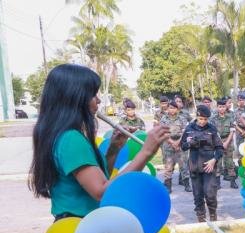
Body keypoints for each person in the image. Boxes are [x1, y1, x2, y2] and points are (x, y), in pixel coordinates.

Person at [29, 64, 169, 220]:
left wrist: (114, 149)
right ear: (75, 98)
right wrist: (146, 152)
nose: (98, 100)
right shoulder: (70, 139)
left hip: (79, 224)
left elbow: (101, 179)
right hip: (80, 227)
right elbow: (101, 192)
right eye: (93, 94)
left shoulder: (62, 134)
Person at [180, 105, 224, 222]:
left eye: (205, 119)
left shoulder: (212, 129)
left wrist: (214, 160)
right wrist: (189, 143)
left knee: (210, 194)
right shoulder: (189, 128)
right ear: (197, 116)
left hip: (209, 166)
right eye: (200, 119)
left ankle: (213, 216)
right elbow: (183, 146)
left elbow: (220, 149)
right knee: (198, 195)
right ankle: (201, 219)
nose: (203, 122)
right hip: (194, 166)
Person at [160, 100, 191, 193]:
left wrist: (178, 142)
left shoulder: (182, 118)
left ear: (177, 109)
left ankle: (187, 184)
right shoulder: (163, 119)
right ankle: (168, 186)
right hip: (168, 144)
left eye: (174, 108)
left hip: (180, 144)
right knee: (168, 166)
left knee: (183, 165)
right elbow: (163, 133)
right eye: (170, 108)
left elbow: (184, 132)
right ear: (168, 108)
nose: (172, 110)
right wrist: (172, 143)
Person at [211, 98, 237, 188]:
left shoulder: (230, 118)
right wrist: (219, 143)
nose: (221, 108)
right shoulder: (213, 119)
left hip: (228, 141)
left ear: (226, 108)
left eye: (223, 107)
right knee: (217, 162)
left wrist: (226, 143)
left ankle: (233, 181)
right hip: (217, 142)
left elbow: (232, 131)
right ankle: (217, 183)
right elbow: (213, 132)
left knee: (229, 162)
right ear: (217, 107)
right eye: (220, 107)